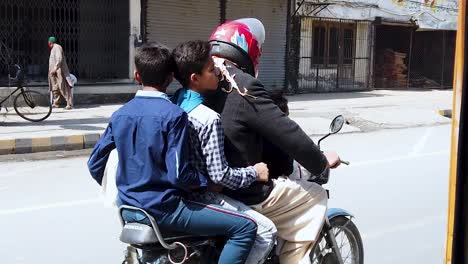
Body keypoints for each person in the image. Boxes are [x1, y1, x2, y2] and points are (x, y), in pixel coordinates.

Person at [87, 42, 258, 264]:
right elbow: (180, 174)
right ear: (170, 78)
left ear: (137, 75)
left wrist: (128, 187)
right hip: (164, 210)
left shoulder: (120, 114)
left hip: (128, 210)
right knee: (245, 227)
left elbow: (94, 164)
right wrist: (206, 181)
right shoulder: (174, 115)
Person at [206, 18, 342, 263]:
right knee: (315, 196)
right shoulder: (241, 84)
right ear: (249, 51)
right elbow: (288, 133)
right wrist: (320, 163)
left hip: (202, 188)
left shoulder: (201, 81)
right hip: (241, 191)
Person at [171, 40, 277, 264]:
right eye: (211, 69)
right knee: (265, 231)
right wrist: (254, 173)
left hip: (176, 195)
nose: (219, 71)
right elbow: (220, 176)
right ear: (195, 79)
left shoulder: (173, 105)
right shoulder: (208, 118)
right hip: (202, 196)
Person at [48, 36, 74, 109]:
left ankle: (69, 104)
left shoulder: (57, 47)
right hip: (54, 72)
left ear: (50, 42)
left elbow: (59, 58)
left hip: (59, 71)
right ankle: (56, 103)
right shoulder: (53, 49)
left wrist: (55, 68)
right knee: (55, 88)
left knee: (63, 87)